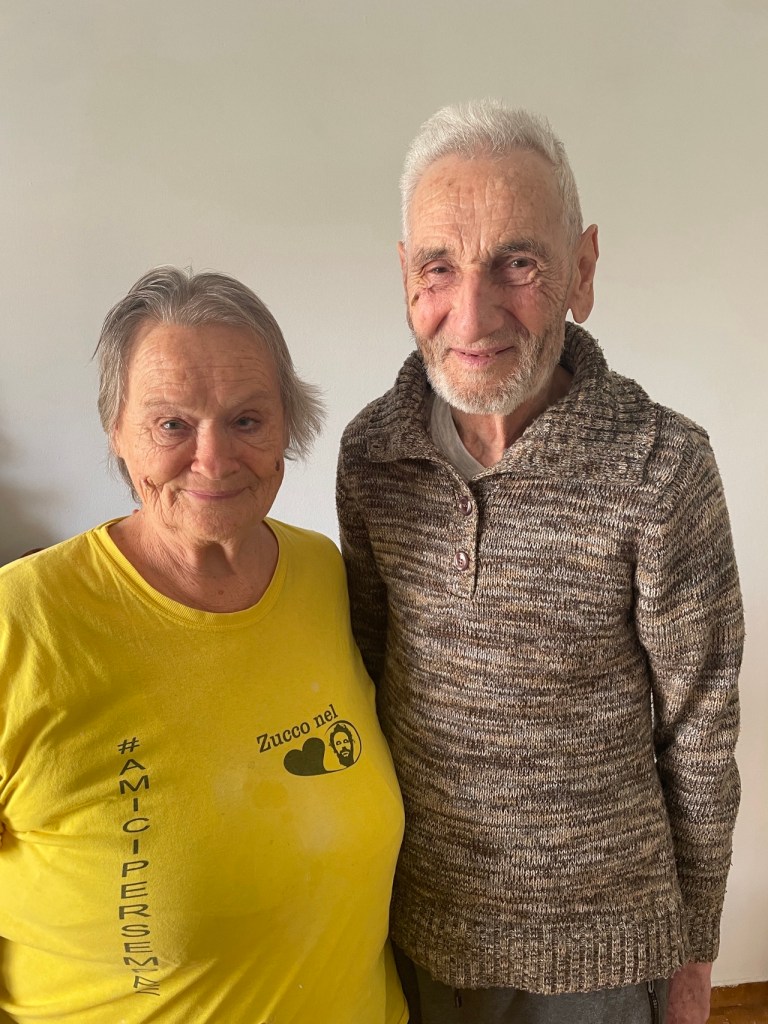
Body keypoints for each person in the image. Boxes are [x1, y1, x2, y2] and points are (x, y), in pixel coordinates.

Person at [337, 101, 743, 1024]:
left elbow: (701, 732)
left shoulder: (664, 465)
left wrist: (695, 952)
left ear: (581, 271)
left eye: (517, 263)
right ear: (406, 278)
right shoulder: (372, 457)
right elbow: (365, 675)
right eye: (439, 267)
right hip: (418, 934)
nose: (472, 313)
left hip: (604, 961)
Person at [0, 267, 408, 1024]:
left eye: (247, 420)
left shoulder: (323, 574)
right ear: (117, 431)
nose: (214, 460)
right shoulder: (19, 623)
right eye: (171, 424)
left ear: (288, 426)